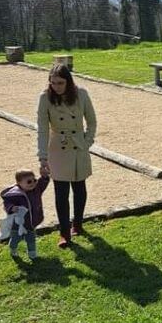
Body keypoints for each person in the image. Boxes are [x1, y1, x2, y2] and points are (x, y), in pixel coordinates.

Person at [37, 64, 96, 248]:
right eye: (53, 83)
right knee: (60, 193)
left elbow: (92, 121)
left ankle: (77, 223)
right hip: (58, 148)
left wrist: (87, 142)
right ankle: (64, 232)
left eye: (60, 83)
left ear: (68, 81)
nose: (56, 86)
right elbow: (42, 130)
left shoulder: (82, 94)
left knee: (79, 188)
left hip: (78, 146)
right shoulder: (45, 98)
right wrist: (42, 157)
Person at [0, 168, 50, 260]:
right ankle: (13, 248)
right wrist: (12, 208)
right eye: (29, 181)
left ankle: (32, 253)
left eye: (34, 180)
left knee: (31, 239)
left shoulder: (36, 189)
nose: (33, 183)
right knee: (16, 238)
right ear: (19, 183)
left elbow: (42, 183)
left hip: (31, 222)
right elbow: (7, 203)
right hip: (18, 224)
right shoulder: (15, 194)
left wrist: (44, 177)